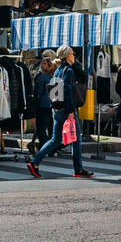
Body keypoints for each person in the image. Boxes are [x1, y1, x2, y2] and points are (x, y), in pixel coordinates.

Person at [26, 45, 92, 179]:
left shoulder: (57, 70)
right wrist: (71, 110)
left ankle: (35, 162)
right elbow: (67, 91)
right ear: (67, 56)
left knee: (55, 140)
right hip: (67, 110)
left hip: (57, 109)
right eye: (72, 54)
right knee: (76, 140)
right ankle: (78, 169)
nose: (74, 56)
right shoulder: (68, 70)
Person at [29, 50, 57, 154]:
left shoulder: (41, 77)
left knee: (41, 128)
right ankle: (52, 150)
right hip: (53, 105)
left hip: (43, 106)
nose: (42, 64)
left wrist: (34, 104)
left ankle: (44, 148)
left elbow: (38, 93)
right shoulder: (55, 76)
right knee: (51, 128)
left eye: (44, 63)